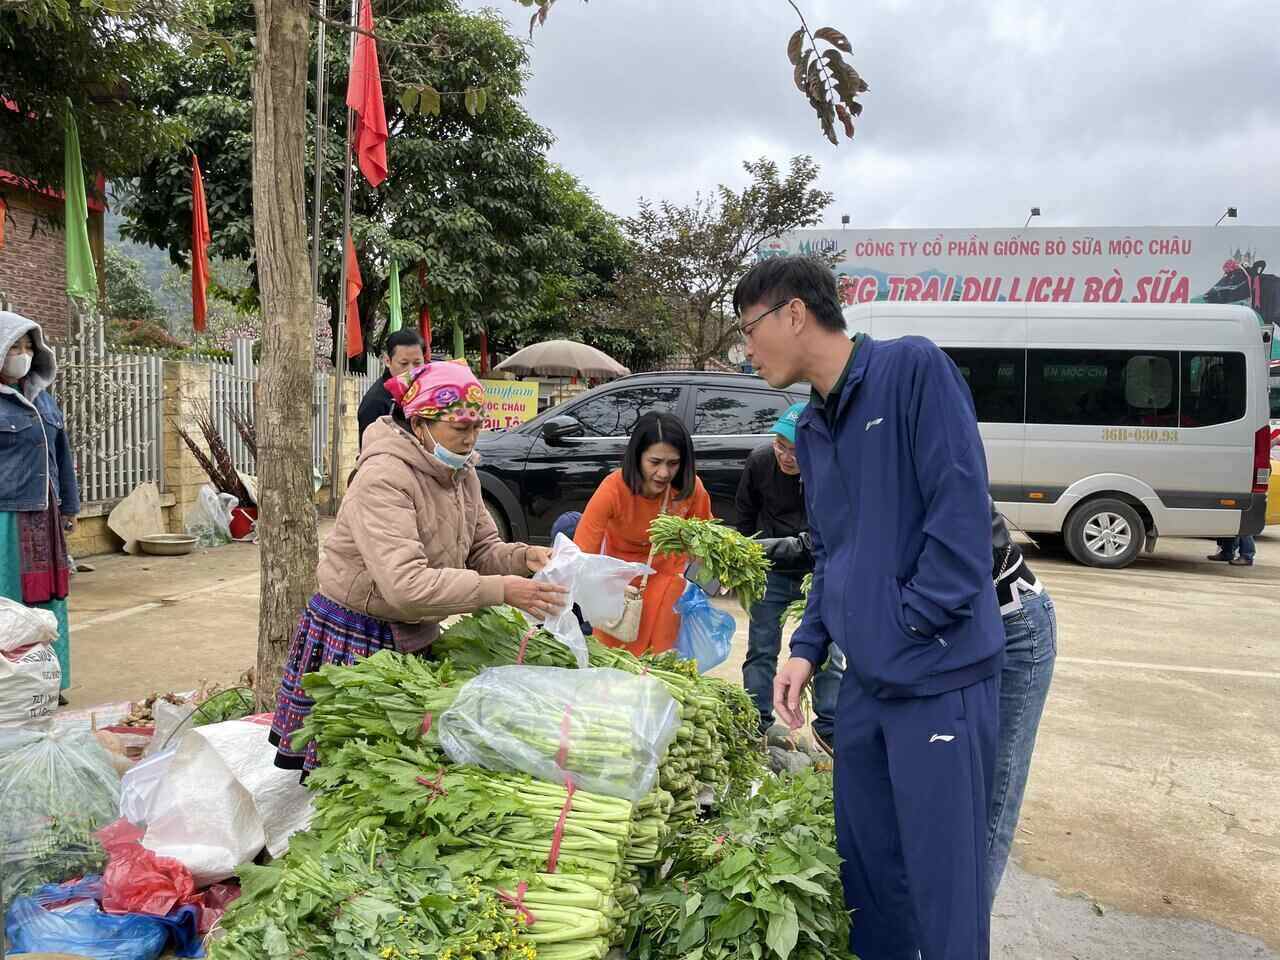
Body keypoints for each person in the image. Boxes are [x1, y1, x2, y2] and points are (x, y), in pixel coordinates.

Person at [736, 255, 1004, 960]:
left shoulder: (911, 371)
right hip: (866, 687)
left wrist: (902, 625)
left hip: (937, 679)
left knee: (943, 893)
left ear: (793, 313)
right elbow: (833, 553)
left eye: (749, 329)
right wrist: (807, 646)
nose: (747, 349)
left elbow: (959, 526)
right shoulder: (815, 429)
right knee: (869, 883)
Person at [759, 499, 1058, 914]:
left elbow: (940, 555)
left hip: (1004, 626)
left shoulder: (907, 444)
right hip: (924, 643)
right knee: (909, 808)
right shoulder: (832, 445)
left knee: (982, 806)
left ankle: (960, 936)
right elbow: (832, 551)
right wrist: (807, 646)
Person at [270, 361, 567, 775]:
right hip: (358, 632)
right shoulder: (383, 476)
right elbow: (406, 586)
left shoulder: (462, 473)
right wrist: (502, 590)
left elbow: (481, 549)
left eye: (476, 427)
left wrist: (522, 558)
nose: (470, 439)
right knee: (353, 772)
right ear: (420, 422)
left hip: (413, 629)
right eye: (458, 428)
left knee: (400, 765)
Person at [736, 402, 844, 756]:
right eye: (781, 445)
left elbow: (822, 540)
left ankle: (830, 726)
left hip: (818, 574)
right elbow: (744, 522)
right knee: (762, 649)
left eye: (796, 450)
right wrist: (744, 563)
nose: (786, 456)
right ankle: (758, 723)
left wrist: (766, 547)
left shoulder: (829, 472)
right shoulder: (760, 463)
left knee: (829, 652)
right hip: (772, 573)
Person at [573, 412, 712, 656]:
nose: (664, 473)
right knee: (614, 664)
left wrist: (713, 573)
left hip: (667, 590)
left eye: (673, 463)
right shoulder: (613, 488)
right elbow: (581, 554)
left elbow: (706, 544)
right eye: (655, 462)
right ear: (637, 457)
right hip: (619, 589)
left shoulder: (691, 490)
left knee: (659, 664)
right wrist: (608, 585)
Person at [0, 311, 80, 702]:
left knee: (48, 598)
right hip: (7, 516)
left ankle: (49, 678)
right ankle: (11, 683)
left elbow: (62, 456)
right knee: (9, 596)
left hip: (45, 514)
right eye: (15, 346)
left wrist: (70, 506)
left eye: (29, 347)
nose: (23, 355)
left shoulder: (44, 400)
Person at [357, 328, 426, 448]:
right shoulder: (375, 402)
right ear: (387, 361)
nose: (411, 370)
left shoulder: (426, 391)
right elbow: (370, 451)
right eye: (404, 364)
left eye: (417, 363)